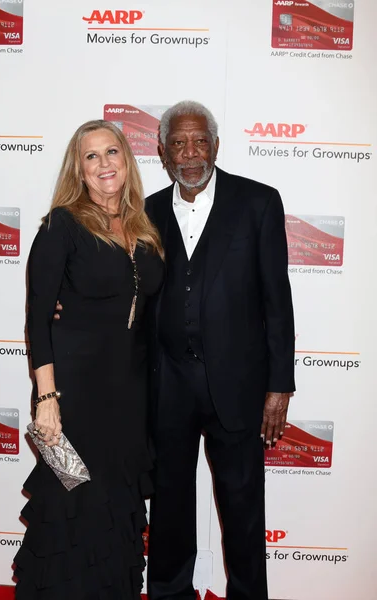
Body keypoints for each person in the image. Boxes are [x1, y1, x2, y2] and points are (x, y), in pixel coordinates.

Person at [145, 101, 295, 600]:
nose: (190, 154)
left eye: (199, 141)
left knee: (243, 506)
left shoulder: (257, 203)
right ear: (163, 152)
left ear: (215, 145)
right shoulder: (146, 211)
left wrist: (279, 385)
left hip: (238, 383)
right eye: (179, 144)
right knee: (169, 502)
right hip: (168, 382)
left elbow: (277, 301)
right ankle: (170, 592)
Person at [13, 120, 164, 600]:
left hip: (129, 400)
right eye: (91, 156)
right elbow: (38, 318)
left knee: (117, 510)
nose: (104, 164)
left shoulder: (144, 226)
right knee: (70, 508)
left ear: (127, 159)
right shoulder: (62, 224)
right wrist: (47, 400)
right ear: (78, 170)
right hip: (72, 399)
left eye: (111, 152)